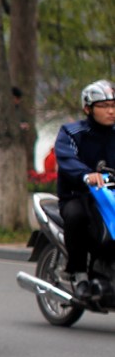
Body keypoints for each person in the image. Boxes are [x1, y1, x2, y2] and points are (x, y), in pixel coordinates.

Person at [53, 80, 115, 300]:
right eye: (104, 106)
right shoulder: (71, 132)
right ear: (88, 108)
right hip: (77, 195)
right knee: (76, 217)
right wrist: (86, 175)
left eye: (114, 105)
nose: (111, 111)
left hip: (110, 196)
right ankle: (79, 274)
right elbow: (66, 158)